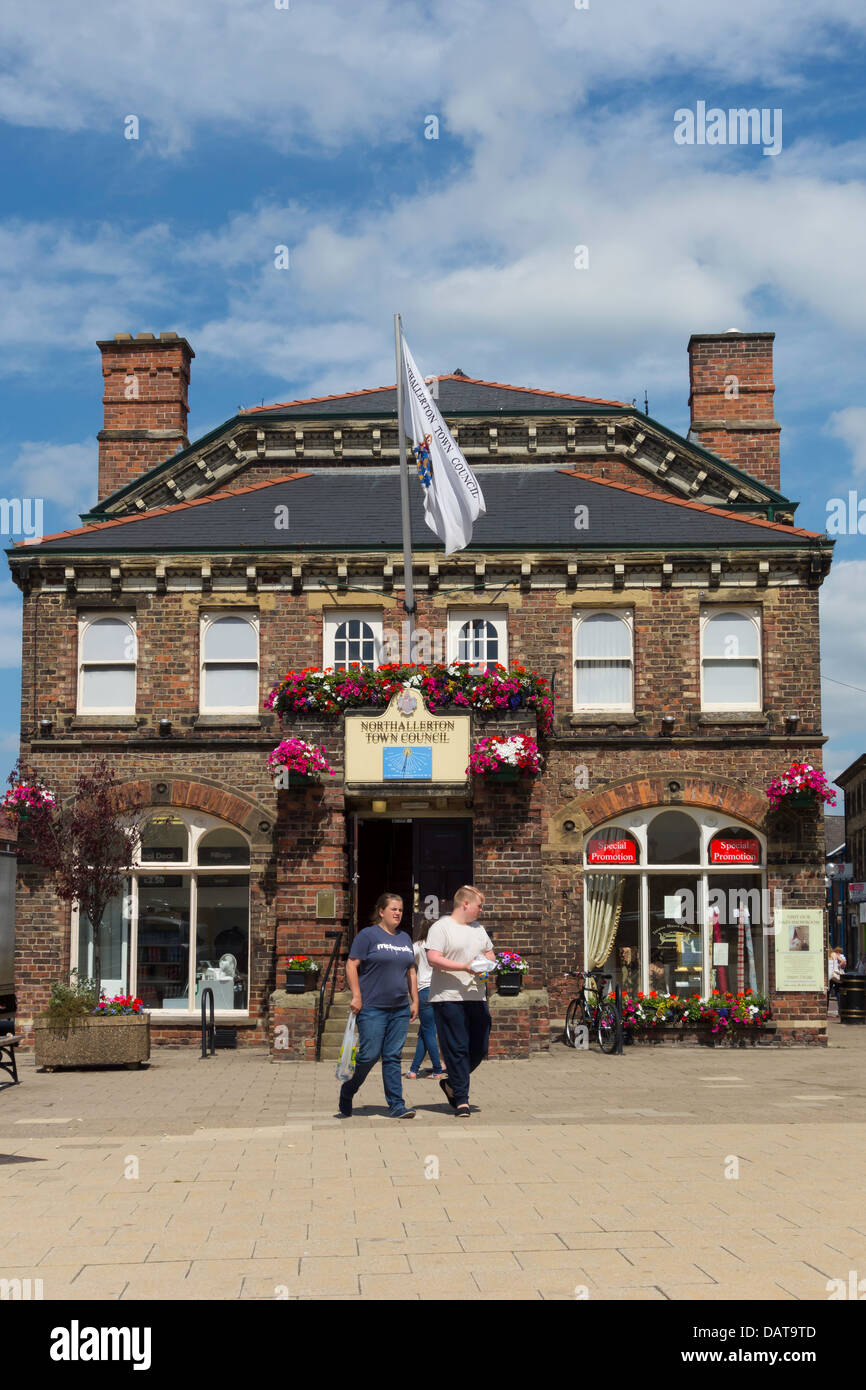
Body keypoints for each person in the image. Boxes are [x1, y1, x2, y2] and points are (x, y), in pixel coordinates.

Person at [338, 893, 418, 1120]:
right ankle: (348, 1090)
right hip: (372, 1007)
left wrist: (415, 1000)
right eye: (393, 909)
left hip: (400, 1008)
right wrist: (356, 996)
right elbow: (351, 965)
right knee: (369, 1055)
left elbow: (410, 970)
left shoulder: (404, 938)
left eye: (400, 910)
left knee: (393, 1056)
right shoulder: (368, 935)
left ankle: (397, 1105)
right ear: (381, 911)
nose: (397, 913)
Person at [426, 885, 496, 1118]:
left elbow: (490, 954)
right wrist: (465, 967)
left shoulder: (478, 929)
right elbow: (433, 958)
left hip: (476, 995)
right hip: (448, 996)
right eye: (479, 905)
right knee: (456, 1047)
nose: (481, 910)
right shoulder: (441, 927)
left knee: (479, 1047)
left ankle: (451, 1084)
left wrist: (485, 965)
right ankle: (462, 1100)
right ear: (465, 904)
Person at [407, 920, 446, 1081]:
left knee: (428, 1031)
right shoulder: (441, 947)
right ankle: (413, 1070)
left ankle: (437, 1069)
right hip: (439, 991)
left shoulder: (417, 946)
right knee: (425, 1031)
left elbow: (406, 961)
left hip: (423, 991)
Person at [828, 946, 847, 1014]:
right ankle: (840, 1010)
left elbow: (843, 961)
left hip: (829, 976)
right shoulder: (834, 954)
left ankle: (825, 1011)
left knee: (828, 993)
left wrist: (838, 965)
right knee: (838, 993)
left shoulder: (825, 955)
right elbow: (843, 961)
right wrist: (838, 966)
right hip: (835, 975)